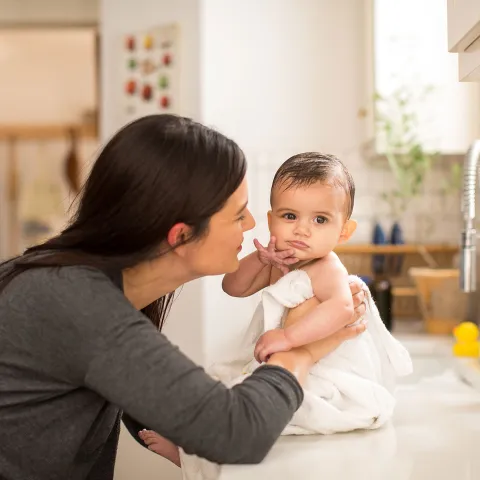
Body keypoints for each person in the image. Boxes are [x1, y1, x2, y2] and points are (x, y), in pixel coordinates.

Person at [0, 115, 366, 480]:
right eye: (238, 215)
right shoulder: (78, 305)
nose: (252, 224)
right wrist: (302, 351)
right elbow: (237, 433)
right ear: (181, 237)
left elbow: (154, 400)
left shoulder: (94, 285)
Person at [222, 152, 358, 362]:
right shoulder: (275, 261)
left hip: (319, 363)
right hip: (280, 360)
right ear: (271, 220)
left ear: (344, 232)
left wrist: (288, 337)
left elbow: (343, 307)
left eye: (320, 219)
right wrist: (260, 260)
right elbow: (233, 287)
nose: (301, 229)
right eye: (290, 216)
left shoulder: (326, 268)